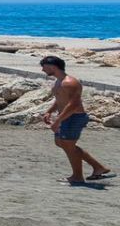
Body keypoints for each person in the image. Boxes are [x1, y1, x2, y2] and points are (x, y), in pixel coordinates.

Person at [40, 56, 113, 185]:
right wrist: (49, 111)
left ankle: (77, 177)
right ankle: (98, 167)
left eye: (44, 67)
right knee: (61, 143)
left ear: (52, 67)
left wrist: (57, 121)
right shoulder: (58, 81)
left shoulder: (70, 82)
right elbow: (60, 99)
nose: (42, 70)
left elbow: (73, 105)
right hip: (65, 117)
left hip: (74, 117)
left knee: (68, 146)